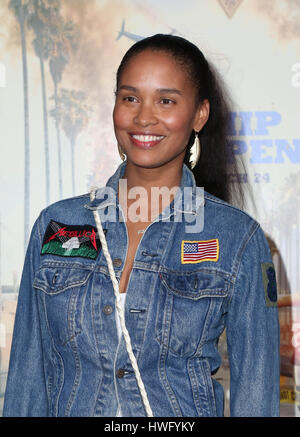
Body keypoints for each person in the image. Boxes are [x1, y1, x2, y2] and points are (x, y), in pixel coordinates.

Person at [3, 34, 280, 417]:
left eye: (166, 101)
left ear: (199, 114)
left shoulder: (237, 239)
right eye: (130, 98)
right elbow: (27, 380)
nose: (143, 117)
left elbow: (257, 396)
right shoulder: (58, 225)